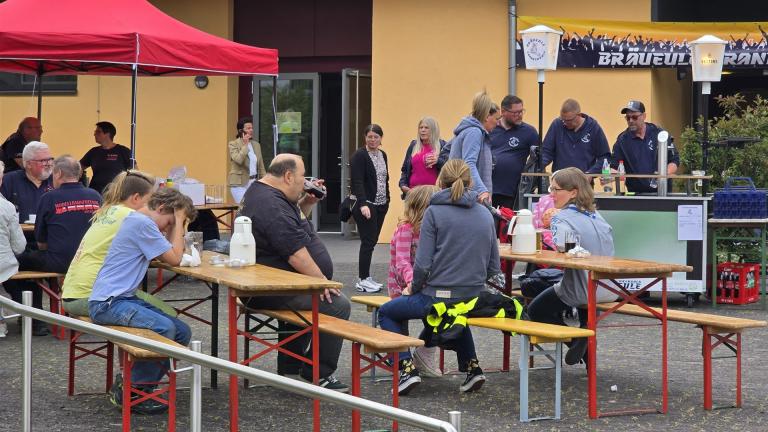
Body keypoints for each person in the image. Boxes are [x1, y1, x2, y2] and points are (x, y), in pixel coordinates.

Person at [378, 160, 500, 395]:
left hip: (438, 295)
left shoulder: (434, 212)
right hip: (473, 296)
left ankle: (406, 368)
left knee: (387, 312)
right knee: (454, 312)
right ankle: (473, 368)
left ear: (440, 181)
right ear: (470, 183)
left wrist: (414, 287)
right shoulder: (485, 213)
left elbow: (423, 264)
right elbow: (494, 265)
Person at [240, 153, 351, 392]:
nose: (305, 182)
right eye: (303, 177)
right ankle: (317, 372)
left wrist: (307, 202)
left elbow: (291, 225)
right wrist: (322, 282)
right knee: (337, 304)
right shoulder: (271, 204)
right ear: (288, 176)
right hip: (270, 288)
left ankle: (290, 367)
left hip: (281, 282)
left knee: (309, 298)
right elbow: (295, 254)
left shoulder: (269, 194)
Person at [89, 187, 196, 414]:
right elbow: (175, 258)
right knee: (165, 328)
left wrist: (175, 221)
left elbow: (169, 253)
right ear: (161, 208)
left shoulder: (140, 221)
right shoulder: (142, 224)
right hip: (108, 303)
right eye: (169, 223)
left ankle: (139, 386)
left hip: (121, 298)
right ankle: (133, 391)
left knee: (181, 331)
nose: (168, 229)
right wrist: (179, 221)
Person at [527, 167, 616, 366]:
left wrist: (553, 232)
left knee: (535, 310)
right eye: (551, 188)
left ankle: (576, 339)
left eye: (556, 189)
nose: (551, 194)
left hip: (581, 290)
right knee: (584, 300)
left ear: (573, 192)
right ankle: (584, 337)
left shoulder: (561, 217)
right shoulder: (596, 215)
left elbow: (564, 246)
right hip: (609, 289)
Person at [62, 170, 175, 318]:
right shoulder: (132, 217)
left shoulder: (108, 210)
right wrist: (177, 221)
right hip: (94, 296)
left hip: (72, 292)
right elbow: (172, 257)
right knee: (168, 315)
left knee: (150, 311)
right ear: (136, 198)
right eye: (149, 202)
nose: (151, 207)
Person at [350, 124, 390, 293]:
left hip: (381, 204)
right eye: (369, 137)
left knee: (372, 241)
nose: (372, 140)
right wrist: (363, 204)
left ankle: (366, 277)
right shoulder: (359, 156)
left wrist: (388, 199)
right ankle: (362, 279)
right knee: (367, 242)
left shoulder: (383, 155)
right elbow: (357, 181)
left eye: (376, 137)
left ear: (381, 138)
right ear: (365, 138)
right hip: (366, 205)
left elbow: (384, 179)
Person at [610, 100, 680, 193]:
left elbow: (674, 160)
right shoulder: (622, 140)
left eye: (634, 117)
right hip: (636, 195)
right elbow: (614, 166)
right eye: (628, 118)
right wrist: (608, 176)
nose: (631, 121)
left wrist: (664, 173)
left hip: (662, 193)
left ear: (644, 116)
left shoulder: (659, 134)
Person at [448, 91, 499, 204]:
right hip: (471, 197)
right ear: (487, 116)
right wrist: (482, 190)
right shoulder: (474, 132)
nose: (498, 123)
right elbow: (469, 164)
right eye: (496, 118)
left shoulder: (467, 130)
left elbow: (446, 150)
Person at [489, 95, 539, 209]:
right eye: (515, 113)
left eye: (521, 111)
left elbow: (539, 157)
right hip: (488, 188)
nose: (519, 115)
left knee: (508, 219)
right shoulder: (490, 128)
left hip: (511, 191)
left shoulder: (529, 132)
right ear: (503, 111)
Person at [541, 99, 610, 174]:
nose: (564, 123)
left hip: (583, 179)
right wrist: (539, 165)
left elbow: (604, 157)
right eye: (563, 119)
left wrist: (590, 173)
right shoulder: (557, 124)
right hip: (559, 178)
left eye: (569, 120)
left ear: (579, 115)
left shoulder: (593, 128)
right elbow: (546, 152)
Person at [0, 141, 54, 223]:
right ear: (29, 164)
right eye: (43, 160)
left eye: (50, 159)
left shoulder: (56, 181)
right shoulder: (9, 181)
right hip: (18, 230)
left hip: (49, 231)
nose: (49, 164)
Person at [0, 161, 27, 319]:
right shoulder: (7, 207)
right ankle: (31, 318)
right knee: (25, 279)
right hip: (3, 266)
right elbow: (19, 247)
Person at [80, 121, 134, 194]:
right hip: (96, 193)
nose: (94, 134)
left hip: (116, 193)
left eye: (98, 132)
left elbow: (134, 171)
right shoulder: (93, 152)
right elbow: (78, 168)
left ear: (107, 134)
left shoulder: (123, 151)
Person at [398, 117, 446, 198]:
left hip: (434, 193)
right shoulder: (414, 145)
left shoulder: (442, 145)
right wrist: (403, 185)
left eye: (426, 128)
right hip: (413, 192)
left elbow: (449, 166)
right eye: (421, 127)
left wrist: (438, 161)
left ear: (433, 130)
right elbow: (405, 169)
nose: (423, 130)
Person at [228, 116, 266, 203]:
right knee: (245, 206)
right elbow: (238, 160)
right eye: (248, 128)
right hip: (239, 184)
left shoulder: (256, 145)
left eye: (251, 128)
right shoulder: (233, 144)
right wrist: (245, 145)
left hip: (253, 183)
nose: (251, 130)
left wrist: (266, 182)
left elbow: (261, 166)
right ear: (241, 131)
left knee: (256, 206)